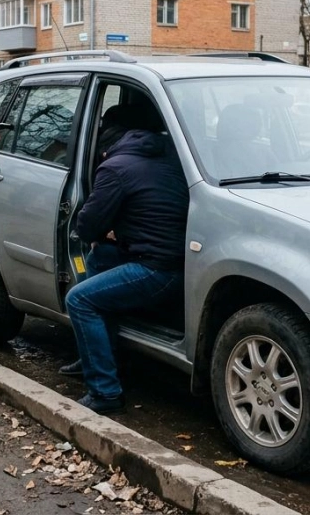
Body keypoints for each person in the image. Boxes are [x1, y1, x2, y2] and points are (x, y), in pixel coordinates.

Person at [62, 103, 189, 414]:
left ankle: (105, 393)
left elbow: (88, 225)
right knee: (99, 257)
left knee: (79, 300)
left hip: (155, 269)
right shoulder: (170, 155)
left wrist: (107, 228)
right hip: (180, 260)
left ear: (105, 148)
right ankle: (93, 353)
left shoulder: (114, 168)